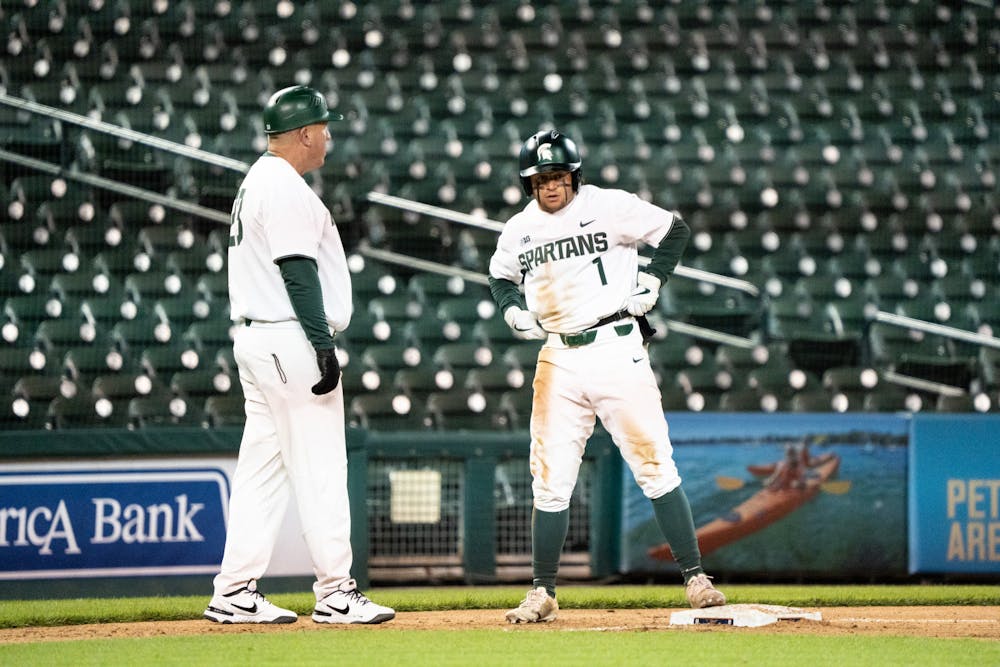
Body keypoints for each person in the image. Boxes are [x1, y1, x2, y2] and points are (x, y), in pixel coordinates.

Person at [489, 129, 726, 624]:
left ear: (574, 175)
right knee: (550, 479)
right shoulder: (519, 228)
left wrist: (653, 279)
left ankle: (695, 577)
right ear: (528, 184)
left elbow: (674, 230)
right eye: (540, 179)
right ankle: (543, 590)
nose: (550, 186)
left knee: (655, 464)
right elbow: (501, 274)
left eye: (557, 176)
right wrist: (511, 308)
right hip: (557, 356)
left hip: (616, 347)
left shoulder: (609, 205)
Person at [204, 85, 394, 625]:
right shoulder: (283, 186)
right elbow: (297, 269)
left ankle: (234, 590)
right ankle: (336, 592)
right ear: (305, 133)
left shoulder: (257, 180)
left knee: (263, 470)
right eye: (324, 128)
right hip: (289, 338)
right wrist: (322, 343)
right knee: (322, 468)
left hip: (258, 339)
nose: (329, 136)